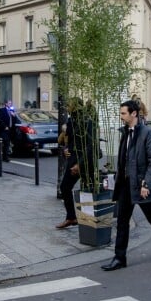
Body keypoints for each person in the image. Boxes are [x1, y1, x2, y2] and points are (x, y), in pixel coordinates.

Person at [101, 100, 151, 271]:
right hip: (126, 185)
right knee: (122, 222)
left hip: (142, 185)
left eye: (123, 113)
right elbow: (124, 160)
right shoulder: (126, 133)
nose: (121, 117)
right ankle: (120, 258)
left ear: (133, 114)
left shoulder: (147, 133)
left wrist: (146, 184)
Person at [56, 98, 96, 229]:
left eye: (68, 105)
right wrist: (65, 150)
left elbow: (90, 145)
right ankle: (72, 217)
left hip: (84, 161)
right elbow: (68, 142)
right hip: (73, 159)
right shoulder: (71, 120)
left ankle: (90, 220)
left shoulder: (86, 121)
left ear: (75, 106)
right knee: (65, 188)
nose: (66, 107)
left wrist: (80, 164)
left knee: (88, 189)